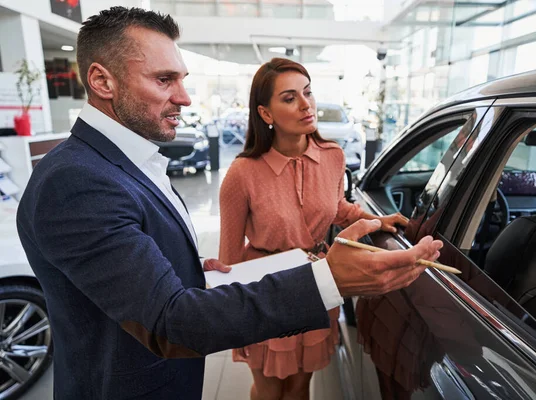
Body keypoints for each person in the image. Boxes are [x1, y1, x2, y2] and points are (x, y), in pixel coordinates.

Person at [16, 7, 443, 399]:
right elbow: (172, 321)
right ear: (102, 81)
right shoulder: (76, 181)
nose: (184, 97)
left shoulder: (119, 162)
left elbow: (129, 263)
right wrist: (331, 280)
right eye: (165, 80)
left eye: (182, 79)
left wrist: (183, 267)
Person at [219, 57, 409, 400]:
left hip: (317, 282)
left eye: (308, 93)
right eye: (290, 98)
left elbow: (336, 209)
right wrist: (235, 323)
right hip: (265, 287)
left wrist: (377, 222)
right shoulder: (243, 172)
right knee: (269, 389)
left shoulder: (333, 156)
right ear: (266, 114)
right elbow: (229, 256)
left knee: (299, 386)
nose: (306, 104)